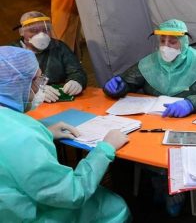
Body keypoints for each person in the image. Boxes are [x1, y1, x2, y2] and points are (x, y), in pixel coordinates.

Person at [0, 46, 131, 222]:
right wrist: (106, 148)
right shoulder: (24, 136)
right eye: (38, 80)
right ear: (19, 83)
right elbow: (73, 194)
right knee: (115, 206)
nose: (41, 86)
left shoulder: (16, 128)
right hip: (30, 216)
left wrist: (45, 132)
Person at [103, 19, 196, 118]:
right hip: (152, 119)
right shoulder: (150, 62)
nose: (165, 47)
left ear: (183, 43)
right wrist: (119, 87)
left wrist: (191, 104)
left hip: (189, 121)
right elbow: (129, 81)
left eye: (172, 42)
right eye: (162, 41)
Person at [11, 11, 87, 103]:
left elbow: (76, 71)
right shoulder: (11, 53)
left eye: (45, 30)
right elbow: (7, 84)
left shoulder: (59, 47)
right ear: (21, 32)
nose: (41, 35)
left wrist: (76, 81)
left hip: (60, 101)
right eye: (33, 30)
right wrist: (33, 90)